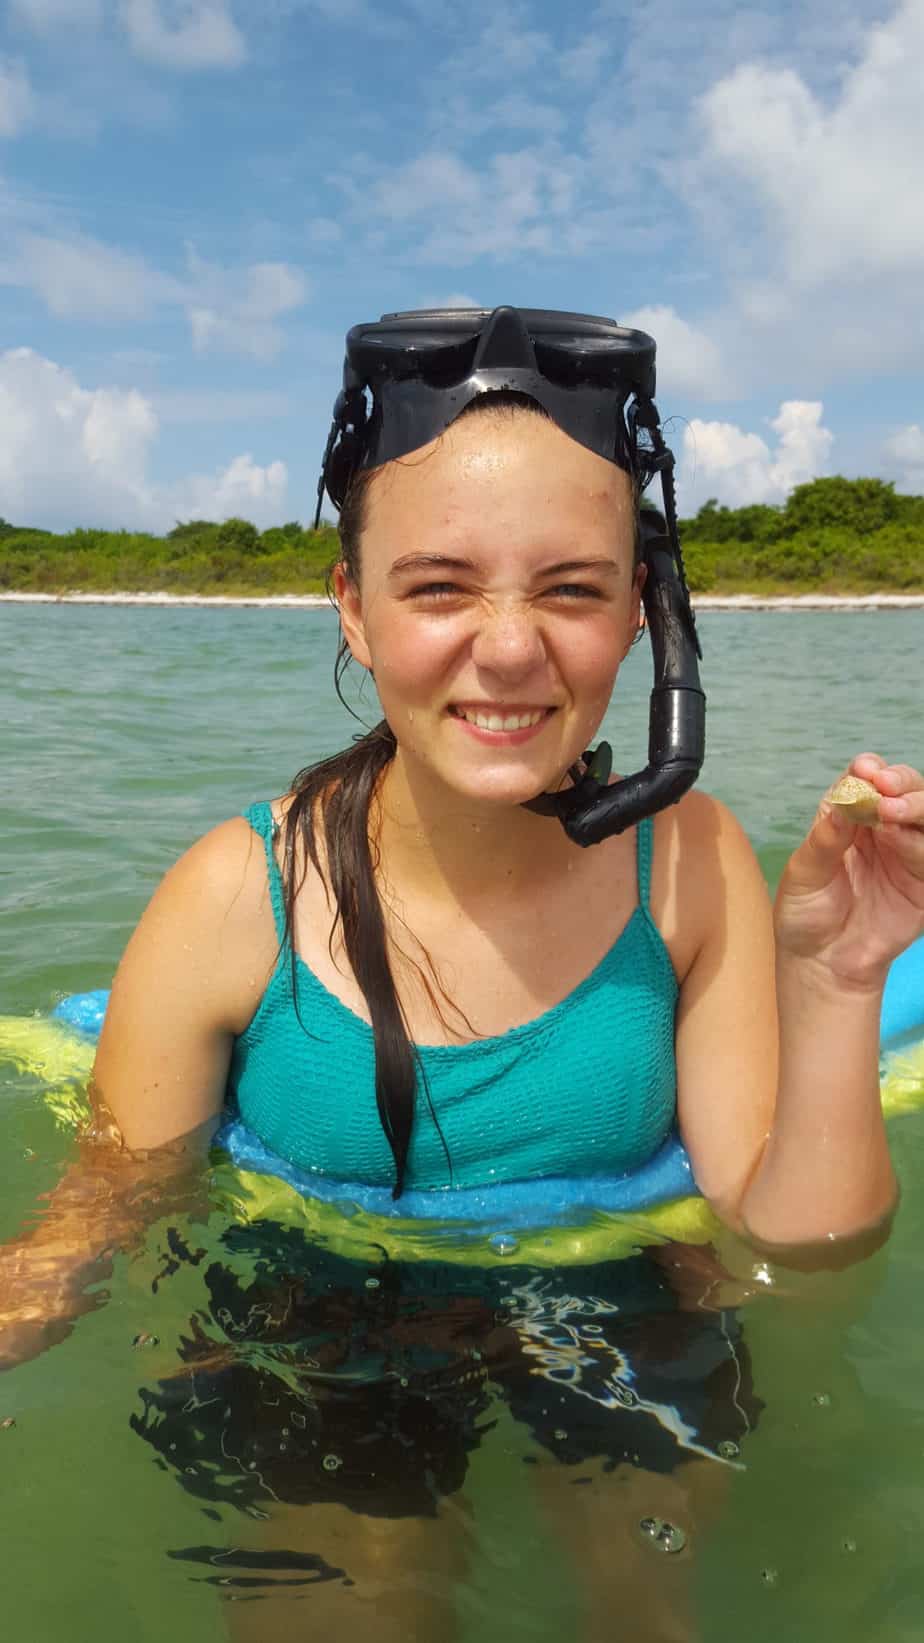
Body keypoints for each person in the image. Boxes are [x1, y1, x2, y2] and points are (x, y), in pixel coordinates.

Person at [1, 305, 922, 1640]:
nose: (507, 647)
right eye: (439, 587)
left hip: (609, 1303)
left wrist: (837, 980)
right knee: (364, 1609)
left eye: (572, 588)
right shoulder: (233, 896)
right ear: (355, 612)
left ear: (645, 614)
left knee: (643, 1605)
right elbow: (90, 1224)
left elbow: (797, 1248)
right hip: (313, 1314)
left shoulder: (692, 863)